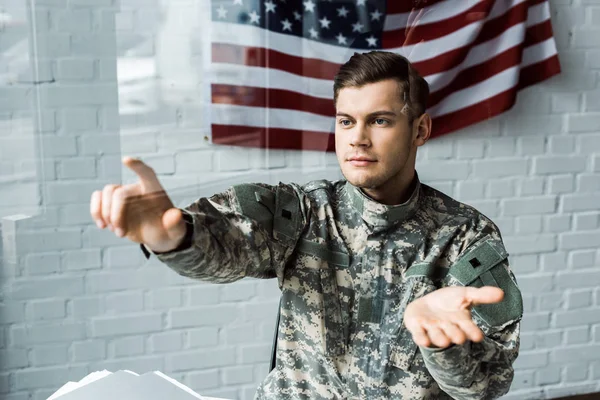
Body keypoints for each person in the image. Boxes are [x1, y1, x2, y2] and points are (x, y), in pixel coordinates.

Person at [90, 51, 523, 400]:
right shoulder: (303, 211)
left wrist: (441, 343)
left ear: (420, 129)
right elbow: (228, 243)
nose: (357, 138)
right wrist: (172, 236)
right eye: (346, 120)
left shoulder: (466, 236)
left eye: (380, 120)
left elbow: (487, 386)